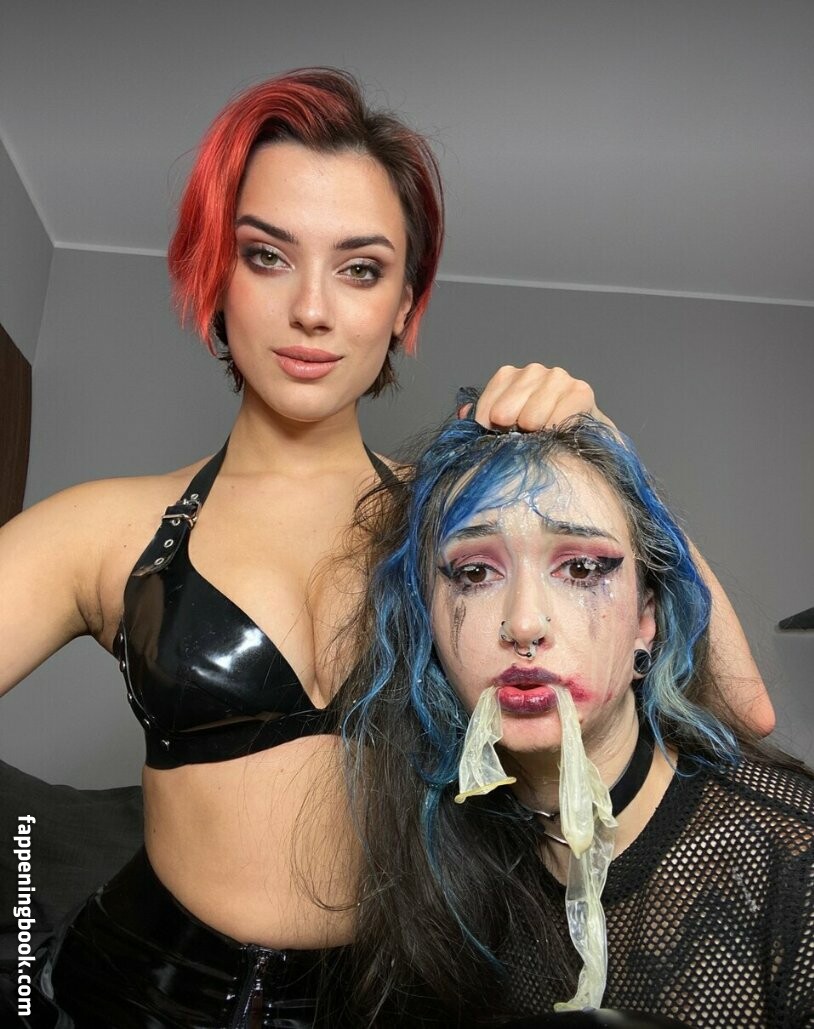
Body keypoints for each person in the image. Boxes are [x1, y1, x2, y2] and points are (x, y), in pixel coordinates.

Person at [0, 66, 772, 1025]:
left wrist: (610, 459)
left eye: (359, 268)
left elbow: (740, 702)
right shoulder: (108, 528)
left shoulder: (463, 522)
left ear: (406, 302)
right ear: (217, 274)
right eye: (267, 256)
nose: (312, 308)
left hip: (395, 1001)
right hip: (137, 996)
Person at [339, 414, 813, 1027]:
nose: (525, 624)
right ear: (427, 622)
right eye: (476, 573)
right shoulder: (429, 860)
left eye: (583, 569)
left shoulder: (792, 860)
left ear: (646, 620)